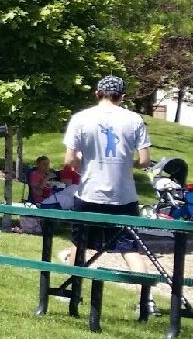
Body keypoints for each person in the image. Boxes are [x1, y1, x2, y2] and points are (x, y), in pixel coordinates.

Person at [63, 74, 157, 314]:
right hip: (124, 196)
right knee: (130, 248)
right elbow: (145, 161)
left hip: (89, 193)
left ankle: (73, 293)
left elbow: (69, 160)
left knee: (79, 244)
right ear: (122, 96)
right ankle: (146, 301)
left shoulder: (81, 118)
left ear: (97, 93)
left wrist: (83, 164)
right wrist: (127, 164)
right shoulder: (134, 119)